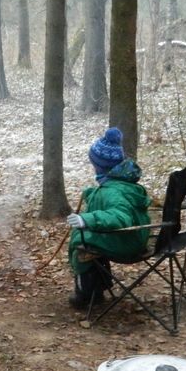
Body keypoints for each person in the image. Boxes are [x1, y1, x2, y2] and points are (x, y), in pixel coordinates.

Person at [66, 127, 151, 310]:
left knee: (81, 240)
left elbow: (121, 217)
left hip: (128, 242)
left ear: (100, 166)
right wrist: (93, 194)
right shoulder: (120, 183)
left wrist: (86, 219)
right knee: (89, 238)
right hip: (136, 236)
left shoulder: (112, 191)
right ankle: (97, 288)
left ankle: (86, 294)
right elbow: (116, 203)